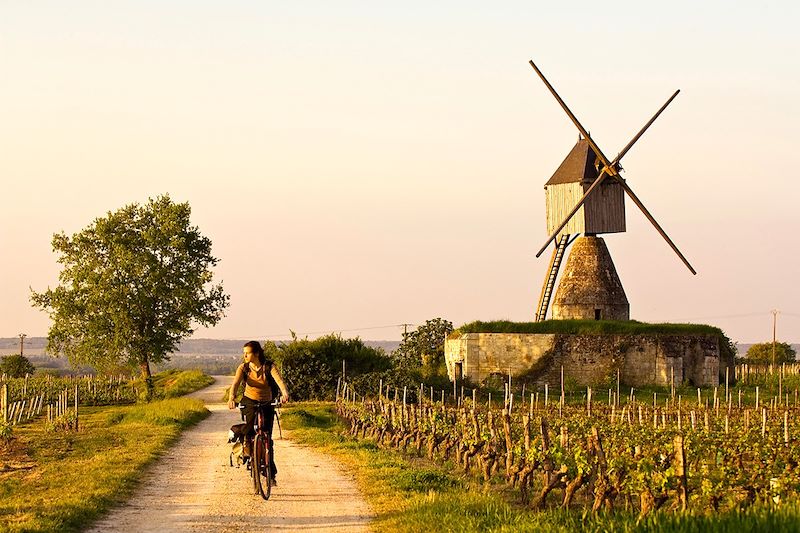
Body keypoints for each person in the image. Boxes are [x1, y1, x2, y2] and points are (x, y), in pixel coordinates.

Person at [228, 340, 290, 484]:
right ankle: (248, 451)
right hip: (249, 400)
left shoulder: (268, 366)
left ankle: (270, 473)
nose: (245, 356)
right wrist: (232, 397)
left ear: (256, 353)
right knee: (250, 429)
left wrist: (285, 393)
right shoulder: (243, 368)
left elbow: (279, 381)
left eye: (247, 353)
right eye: (244, 353)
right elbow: (236, 384)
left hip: (267, 401)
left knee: (267, 437)